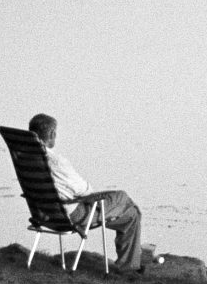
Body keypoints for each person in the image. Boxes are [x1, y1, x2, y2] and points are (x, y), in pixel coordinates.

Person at [28, 113, 144, 274]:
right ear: (52, 134)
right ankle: (129, 266)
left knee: (131, 215)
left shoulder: (27, 158)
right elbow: (84, 190)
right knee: (123, 198)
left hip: (44, 212)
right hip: (73, 215)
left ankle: (131, 263)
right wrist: (90, 194)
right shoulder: (55, 161)